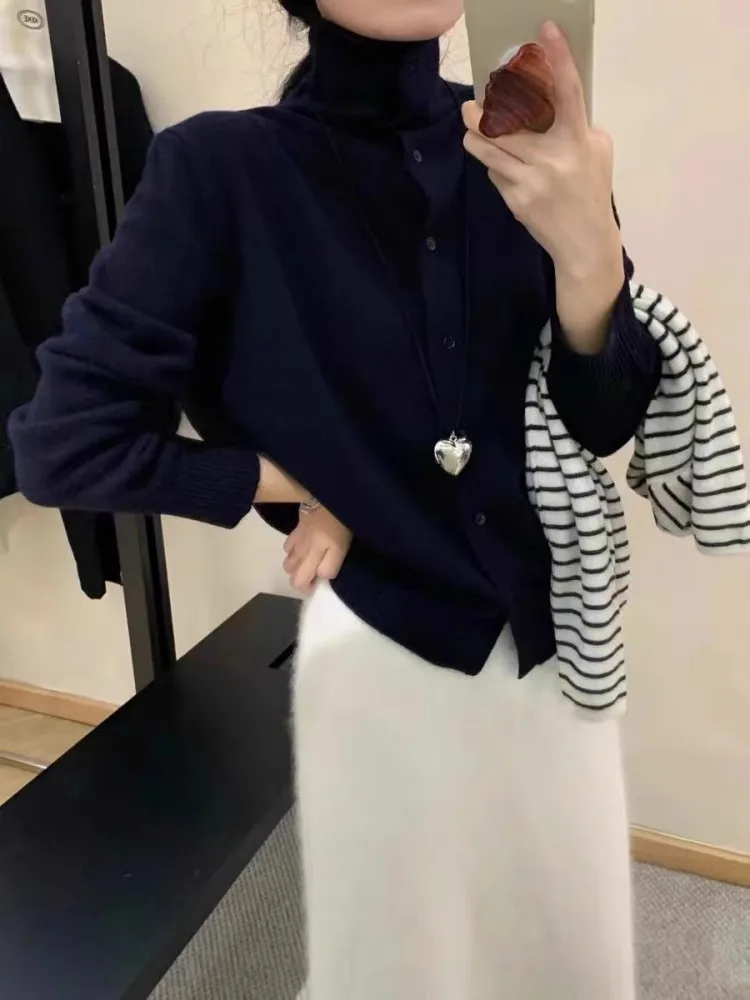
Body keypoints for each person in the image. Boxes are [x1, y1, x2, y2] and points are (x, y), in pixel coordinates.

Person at [9, 1, 662, 997]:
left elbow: (604, 421)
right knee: (398, 973)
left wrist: (589, 251)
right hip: (385, 663)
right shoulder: (220, 171)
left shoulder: (532, 154)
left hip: (556, 651)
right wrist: (299, 482)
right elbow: (65, 444)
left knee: (566, 963)